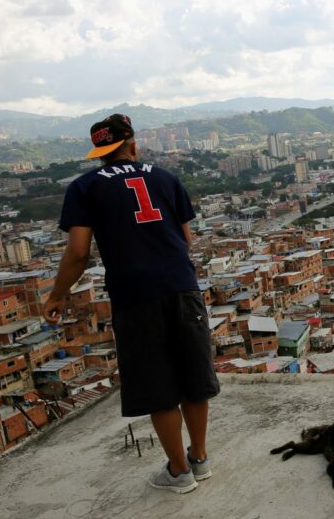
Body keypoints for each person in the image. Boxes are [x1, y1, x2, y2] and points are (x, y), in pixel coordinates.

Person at [42, 114, 219, 493]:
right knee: (193, 379)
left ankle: (178, 471)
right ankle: (199, 458)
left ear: (100, 154)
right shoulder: (166, 177)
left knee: (159, 385)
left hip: (136, 296)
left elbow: (77, 253)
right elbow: (186, 240)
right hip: (183, 288)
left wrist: (57, 294)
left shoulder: (85, 187)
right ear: (133, 145)